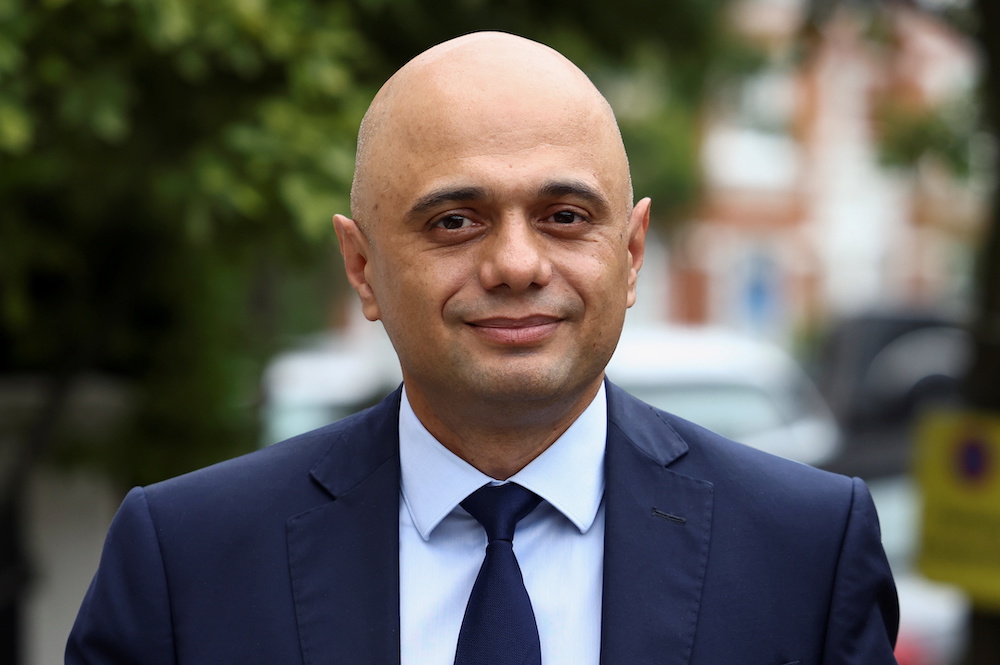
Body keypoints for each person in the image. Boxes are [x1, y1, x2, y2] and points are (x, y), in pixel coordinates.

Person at [66, 32, 899, 665]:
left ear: (633, 253)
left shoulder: (806, 552)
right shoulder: (187, 558)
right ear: (362, 266)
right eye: (454, 221)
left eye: (564, 216)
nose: (514, 264)